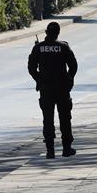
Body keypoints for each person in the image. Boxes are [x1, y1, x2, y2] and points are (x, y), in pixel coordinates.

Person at [28, 21, 78, 159]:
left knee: (48, 119)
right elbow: (73, 66)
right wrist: (69, 80)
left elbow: (31, 68)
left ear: (46, 32)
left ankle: (50, 151)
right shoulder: (63, 47)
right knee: (65, 118)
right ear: (58, 33)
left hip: (46, 89)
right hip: (62, 88)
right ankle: (66, 148)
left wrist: (39, 80)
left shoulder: (38, 48)